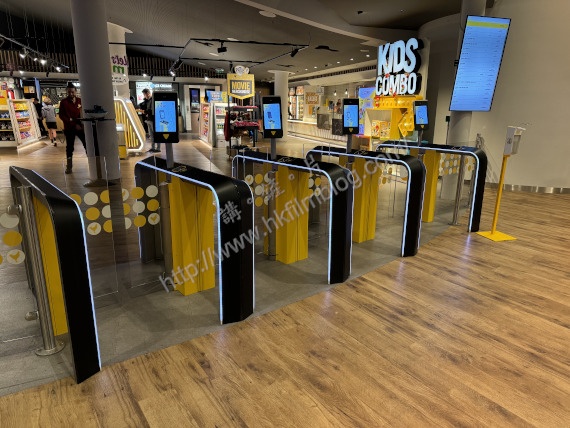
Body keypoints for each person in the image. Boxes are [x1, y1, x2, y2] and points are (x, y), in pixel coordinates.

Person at [58, 82, 86, 174]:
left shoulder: (80, 101)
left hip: (80, 127)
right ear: (67, 92)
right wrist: (73, 123)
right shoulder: (63, 102)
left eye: (72, 92)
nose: (71, 94)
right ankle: (69, 166)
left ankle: (92, 163)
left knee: (87, 144)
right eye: (69, 92)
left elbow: (82, 113)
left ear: (76, 91)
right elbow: (62, 115)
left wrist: (81, 124)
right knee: (70, 147)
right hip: (69, 128)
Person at [139, 88, 159, 152]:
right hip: (149, 119)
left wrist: (144, 111)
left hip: (153, 119)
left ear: (148, 93)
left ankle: (158, 148)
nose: (144, 96)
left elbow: (151, 110)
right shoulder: (148, 101)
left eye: (144, 94)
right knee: (151, 134)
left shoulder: (152, 100)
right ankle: (153, 147)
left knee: (155, 134)